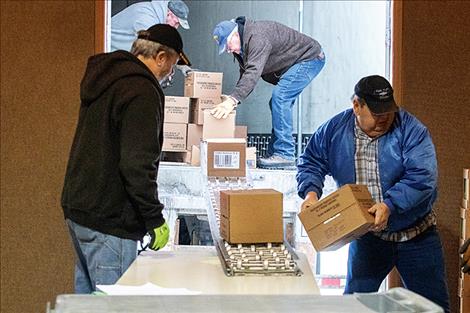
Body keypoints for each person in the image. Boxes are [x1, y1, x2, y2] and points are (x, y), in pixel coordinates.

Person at [296, 75, 450, 312]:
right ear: (357, 106)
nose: (384, 120)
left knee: (433, 308)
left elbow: (422, 177)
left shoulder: (411, 130)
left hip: (417, 235)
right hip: (369, 238)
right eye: (377, 115)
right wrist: (311, 193)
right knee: (354, 306)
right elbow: (311, 162)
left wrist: (390, 205)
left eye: (388, 114)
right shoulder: (334, 130)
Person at [61, 24, 191, 294]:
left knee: (87, 304)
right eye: (174, 65)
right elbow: (135, 164)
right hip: (111, 219)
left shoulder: (108, 79)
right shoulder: (141, 90)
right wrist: (154, 218)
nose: (171, 74)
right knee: (114, 304)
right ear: (161, 57)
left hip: (81, 210)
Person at [211, 17, 325, 169]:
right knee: (277, 102)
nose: (228, 50)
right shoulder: (242, 44)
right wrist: (233, 98)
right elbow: (246, 73)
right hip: (295, 63)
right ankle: (275, 152)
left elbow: (253, 72)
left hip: (309, 58)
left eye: (228, 45)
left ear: (235, 34)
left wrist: (233, 100)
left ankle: (285, 154)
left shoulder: (258, 36)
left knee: (281, 97)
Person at [111, 0, 189, 52]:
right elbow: (152, 51)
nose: (176, 27)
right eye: (176, 23)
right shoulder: (146, 17)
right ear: (169, 14)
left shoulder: (153, 12)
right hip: (105, 50)